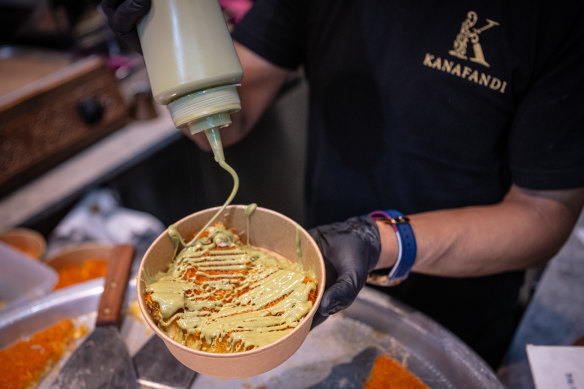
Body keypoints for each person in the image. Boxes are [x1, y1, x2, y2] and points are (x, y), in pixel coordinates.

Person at [102, 0, 584, 369]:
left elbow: (545, 214)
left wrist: (378, 240)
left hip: (457, 316)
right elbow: (227, 123)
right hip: (318, 297)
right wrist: (168, 49)